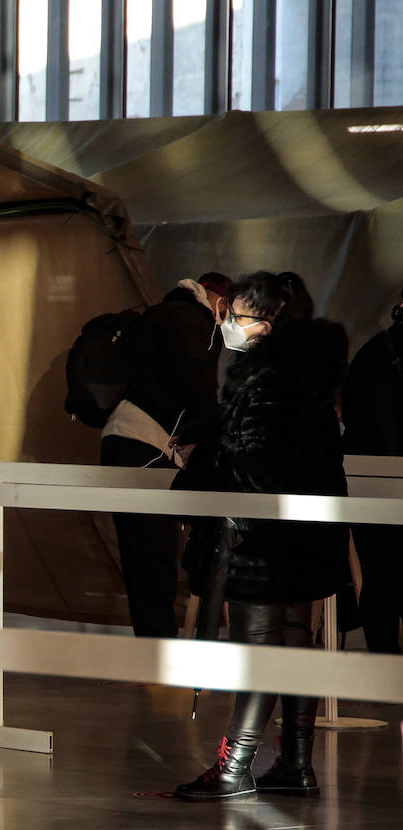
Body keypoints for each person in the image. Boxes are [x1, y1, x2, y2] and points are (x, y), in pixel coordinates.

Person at [174, 271, 349, 801]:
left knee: (257, 644)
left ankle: (234, 766)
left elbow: (256, 466)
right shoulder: (313, 372)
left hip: (261, 538)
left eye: (237, 315)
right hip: (308, 531)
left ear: (266, 326)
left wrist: (211, 462)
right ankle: (296, 763)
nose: (226, 322)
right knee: (295, 637)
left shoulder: (265, 379)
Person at [100, 271, 230, 638]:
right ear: (217, 298)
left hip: (126, 439)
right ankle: (158, 655)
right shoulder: (192, 321)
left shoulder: (165, 313)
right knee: (153, 557)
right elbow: (198, 390)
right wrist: (216, 434)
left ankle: (153, 650)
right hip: (143, 443)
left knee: (142, 556)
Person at [341, 288, 403, 654]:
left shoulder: (370, 352)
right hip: (379, 479)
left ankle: (381, 656)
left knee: (378, 574)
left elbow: (351, 416)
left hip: (369, 483)